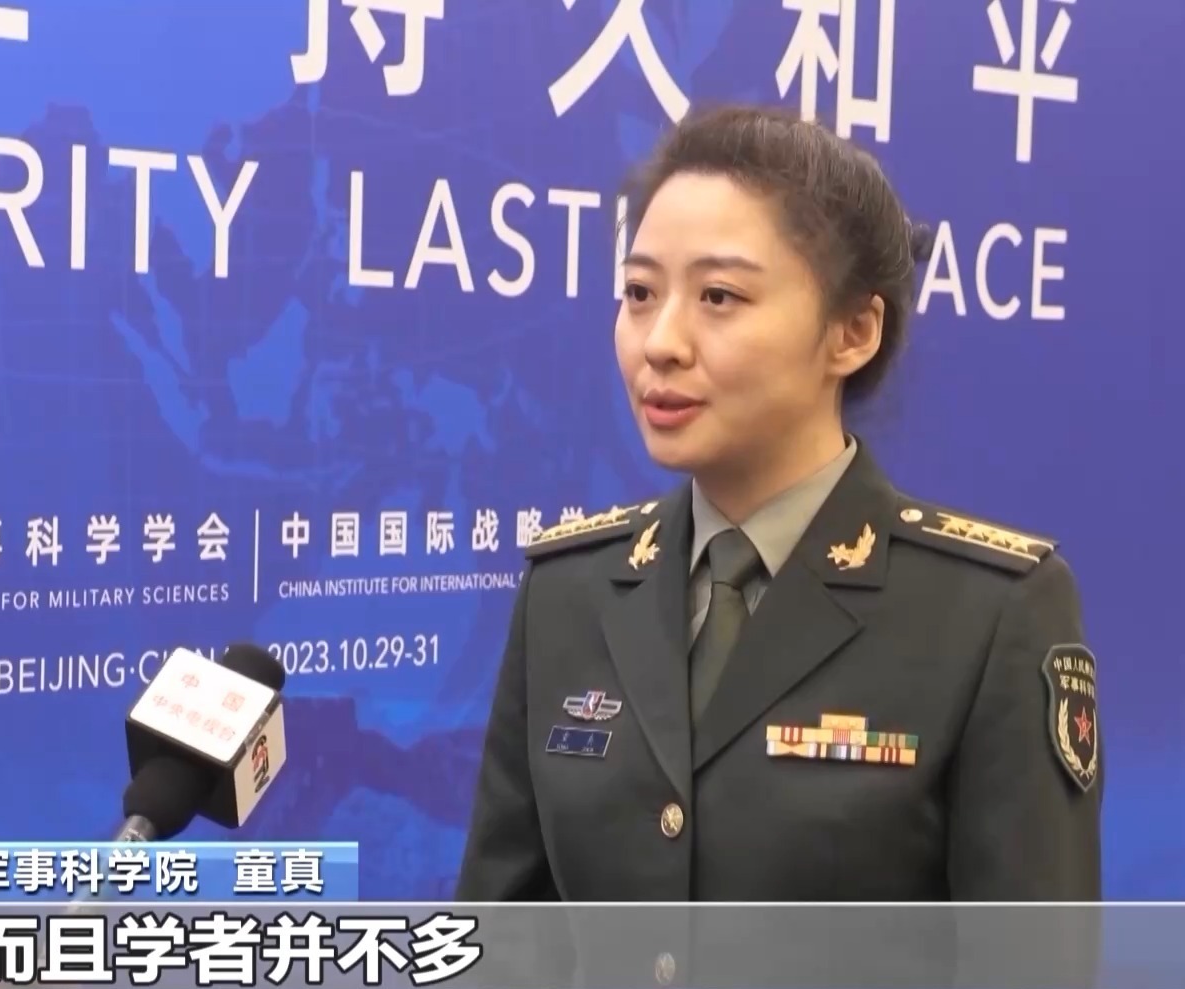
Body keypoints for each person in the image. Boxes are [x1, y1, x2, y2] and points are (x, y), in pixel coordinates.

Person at [455, 104, 1102, 905]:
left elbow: (1029, 954)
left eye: (719, 296)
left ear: (853, 331)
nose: (661, 342)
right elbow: (503, 933)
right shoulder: (568, 592)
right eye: (639, 291)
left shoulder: (990, 614)